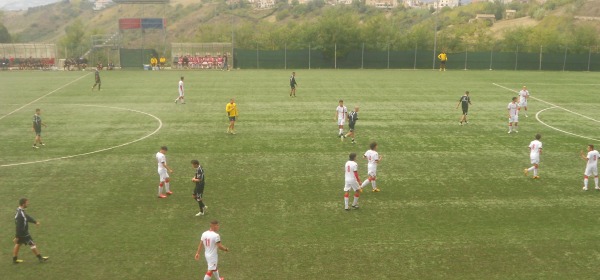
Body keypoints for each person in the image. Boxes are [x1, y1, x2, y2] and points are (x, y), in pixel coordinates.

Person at [13, 198, 49, 264]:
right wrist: (17, 236)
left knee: (18, 244)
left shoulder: (20, 210)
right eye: (27, 203)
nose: (28, 204)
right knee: (32, 244)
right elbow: (18, 226)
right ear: (23, 204)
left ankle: (14, 259)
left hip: (22, 233)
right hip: (23, 233)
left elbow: (26, 217)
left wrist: (35, 222)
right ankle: (40, 258)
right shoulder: (21, 214)